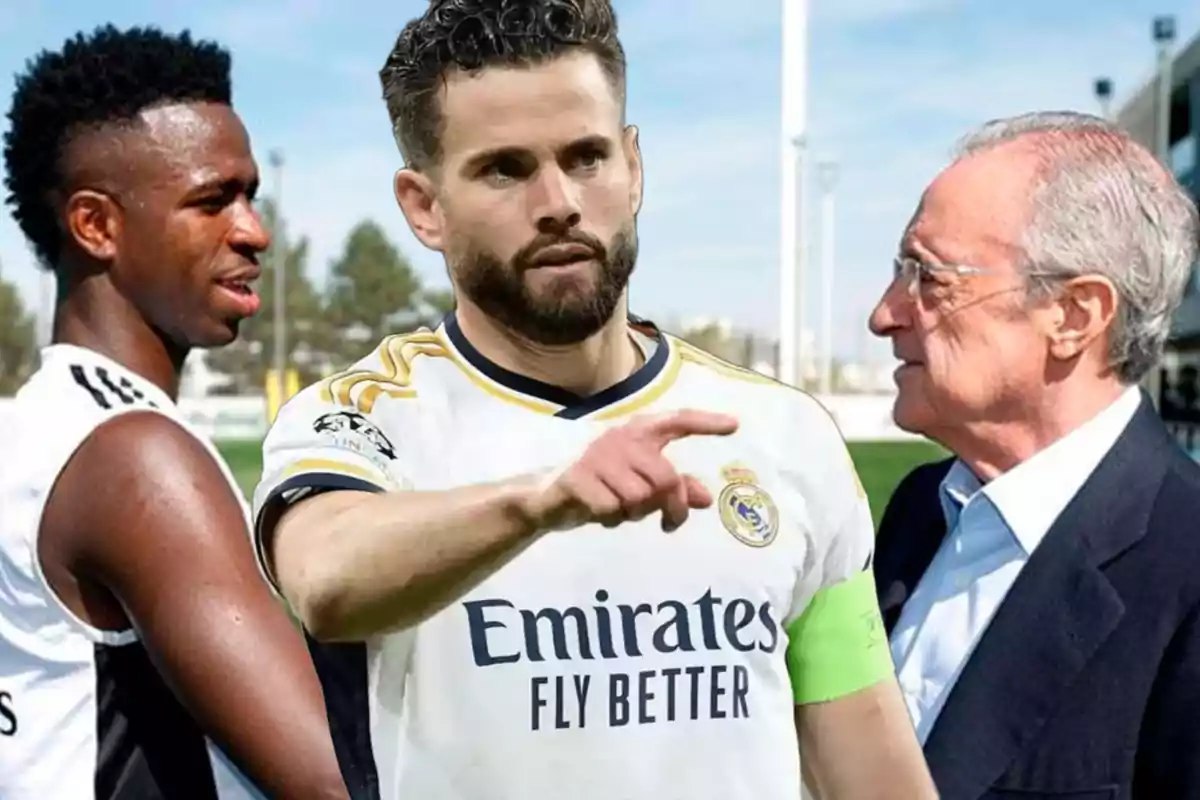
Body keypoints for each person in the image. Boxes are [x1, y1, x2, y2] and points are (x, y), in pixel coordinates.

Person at [251, 2, 937, 799]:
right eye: (504, 168)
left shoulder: (783, 434)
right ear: (424, 206)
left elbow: (872, 772)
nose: (558, 202)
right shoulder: (369, 417)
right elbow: (327, 579)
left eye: (586, 158)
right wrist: (542, 501)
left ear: (634, 166)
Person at [0, 25, 348, 799]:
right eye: (213, 199)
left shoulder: (40, 425)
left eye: (251, 193)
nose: (254, 231)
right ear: (95, 225)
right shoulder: (133, 455)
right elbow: (332, 782)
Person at [869, 111, 1200, 799]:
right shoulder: (920, 512)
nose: (884, 313)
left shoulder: (1187, 568)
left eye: (929, 278)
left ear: (1074, 316)